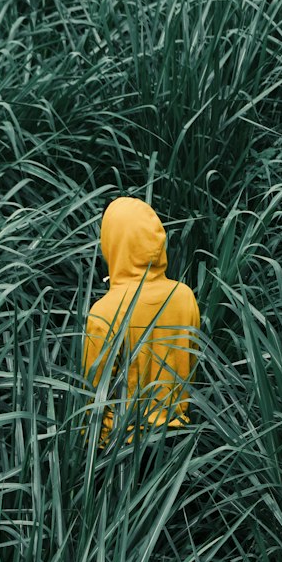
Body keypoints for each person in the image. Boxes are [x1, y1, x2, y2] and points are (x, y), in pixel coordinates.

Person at [81, 196, 200, 471]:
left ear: (112, 243)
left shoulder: (105, 312)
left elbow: (95, 394)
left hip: (119, 448)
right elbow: (191, 366)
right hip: (177, 441)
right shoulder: (184, 296)